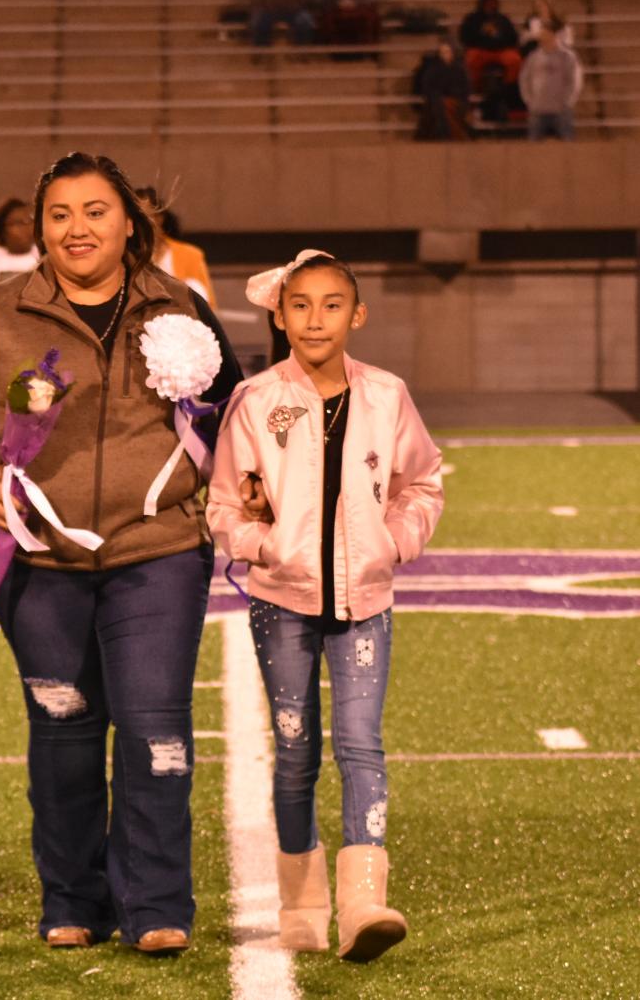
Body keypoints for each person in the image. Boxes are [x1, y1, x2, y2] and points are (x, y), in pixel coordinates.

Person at [0, 152, 242, 954]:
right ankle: (72, 899)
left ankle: (156, 903)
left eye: (95, 211)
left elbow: (231, 407)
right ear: (39, 228)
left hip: (157, 551)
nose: (76, 228)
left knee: (153, 725)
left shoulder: (181, 306)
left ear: (129, 221)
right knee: (62, 732)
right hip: (37, 561)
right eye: (59, 214)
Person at [207, 250, 444, 963]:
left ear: (356, 314)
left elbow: (422, 482)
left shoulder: (386, 395)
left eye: (331, 304)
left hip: (365, 598)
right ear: (277, 315)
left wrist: (391, 544)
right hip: (281, 600)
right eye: (300, 305)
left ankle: (363, 902)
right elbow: (221, 502)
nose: (315, 319)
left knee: (361, 745)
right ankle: (301, 904)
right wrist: (262, 544)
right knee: (293, 752)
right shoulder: (254, 401)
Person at [134, 187, 217, 307]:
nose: (138, 224)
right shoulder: (124, 256)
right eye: (134, 218)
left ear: (159, 218)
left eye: (144, 216)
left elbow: (208, 305)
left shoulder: (191, 255)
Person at [520, 22, 582, 141]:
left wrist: (568, 102)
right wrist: (529, 100)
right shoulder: (533, 57)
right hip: (538, 110)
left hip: (561, 110)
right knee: (532, 149)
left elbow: (574, 81)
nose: (542, 36)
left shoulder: (567, 56)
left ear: (553, 34)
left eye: (545, 33)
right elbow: (524, 79)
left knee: (568, 146)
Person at [413, 40, 473, 141]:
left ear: (452, 53)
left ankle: (449, 135)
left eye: (447, 51)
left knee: (445, 106)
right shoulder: (432, 70)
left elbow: (465, 89)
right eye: (442, 52)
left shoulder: (460, 70)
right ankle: (453, 136)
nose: (445, 55)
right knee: (441, 106)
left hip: (457, 101)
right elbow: (428, 88)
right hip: (436, 101)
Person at [459, 0, 522, 87]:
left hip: (501, 51)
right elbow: (465, 38)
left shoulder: (503, 19)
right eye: (488, 2)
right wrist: (482, 32)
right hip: (480, 51)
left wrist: (498, 35)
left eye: (493, 2)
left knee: (515, 60)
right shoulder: (472, 19)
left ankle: (508, 88)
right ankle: (475, 89)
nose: (491, 5)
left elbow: (513, 38)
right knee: (471, 59)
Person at [250, 0, 315, 46]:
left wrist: (296, 4)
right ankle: (261, 55)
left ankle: (301, 54)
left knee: (304, 22)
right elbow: (258, 2)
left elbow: (305, 2)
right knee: (261, 23)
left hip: (294, 11)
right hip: (270, 11)